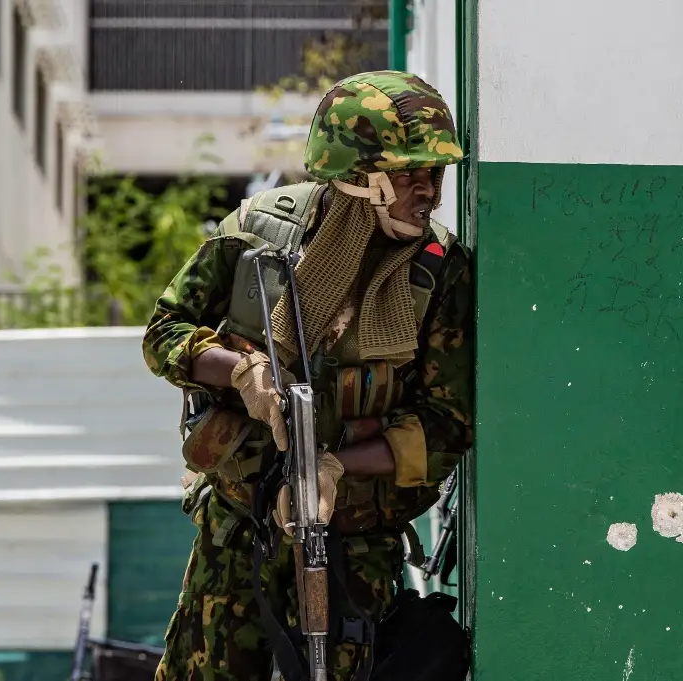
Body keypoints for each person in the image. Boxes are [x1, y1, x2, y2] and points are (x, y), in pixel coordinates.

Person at [142, 70, 474, 681]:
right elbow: (164, 334)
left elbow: (447, 426)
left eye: (436, 174)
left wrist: (335, 467)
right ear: (355, 177)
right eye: (408, 174)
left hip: (353, 543)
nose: (428, 191)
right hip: (237, 527)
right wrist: (240, 369)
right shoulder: (259, 235)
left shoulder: (440, 274)